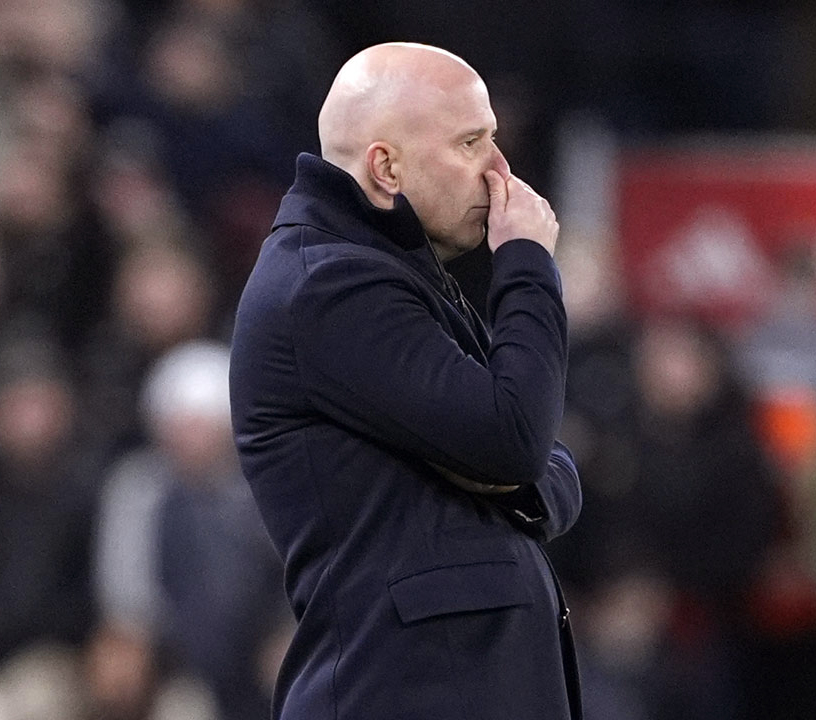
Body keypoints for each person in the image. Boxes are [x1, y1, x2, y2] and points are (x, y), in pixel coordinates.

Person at [229, 42, 582, 720]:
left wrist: (518, 463)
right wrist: (527, 262)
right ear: (386, 167)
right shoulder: (328, 287)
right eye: (471, 143)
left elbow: (541, 458)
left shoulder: (390, 274)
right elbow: (517, 439)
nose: (500, 169)